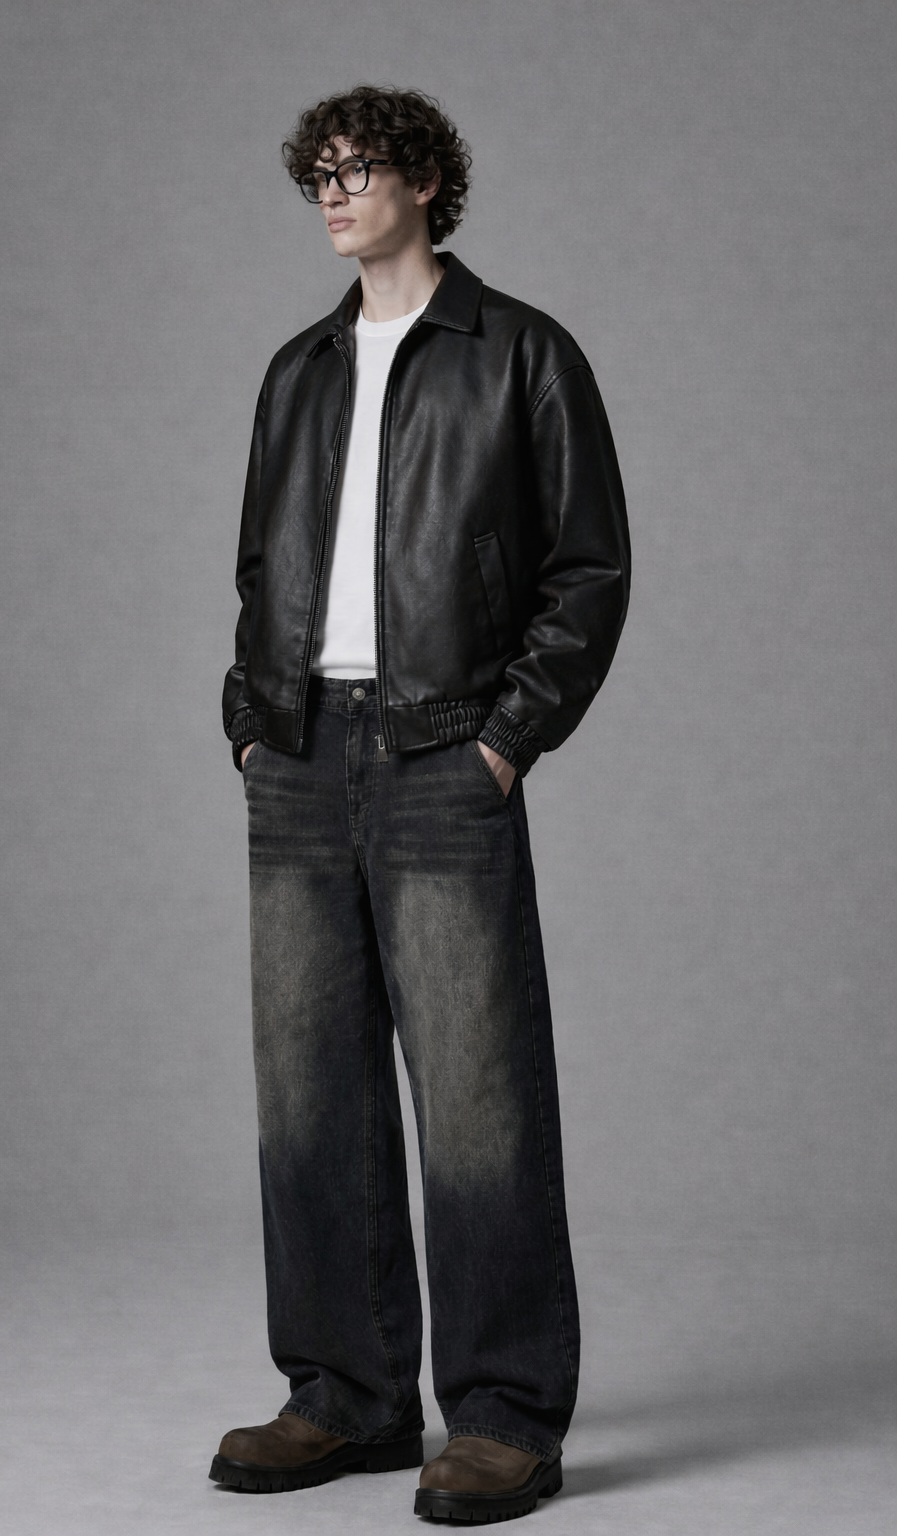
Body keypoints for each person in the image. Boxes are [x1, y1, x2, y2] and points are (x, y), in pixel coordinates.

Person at [210, 85, 629, 1524]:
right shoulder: (299, 369)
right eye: (317, 175)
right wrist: (251, 724)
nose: (334, 194)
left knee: (478, 1101)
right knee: (309, 1096)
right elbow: (260, 568)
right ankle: (347, 1394)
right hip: (298, 757)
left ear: (426, 181)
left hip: (448, 750)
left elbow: (588, 573)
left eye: (359, 169)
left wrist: (507, 740)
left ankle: (505, 1415)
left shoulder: (519, 352)